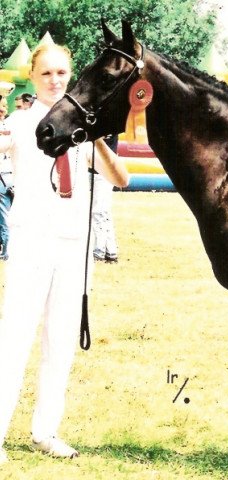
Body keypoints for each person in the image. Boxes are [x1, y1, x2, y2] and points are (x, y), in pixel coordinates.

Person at [0, 43, 129, 464]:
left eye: (61, 73)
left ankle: (45, 431)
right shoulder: (19, 123)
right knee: (15, 338)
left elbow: (122, 178)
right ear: (32, 78)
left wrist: (97, 141)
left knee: (60, 341)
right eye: (46, 74)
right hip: (31, 240)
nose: (55, 81)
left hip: (73, 245)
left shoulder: (80, 127)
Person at [92, 134, 120, 263]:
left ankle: (99, 250)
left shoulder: (107, 128)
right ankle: (111, 251)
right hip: (102, 171)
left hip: (101, 172)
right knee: (104, 212)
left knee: (98, 212)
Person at [0, 98, 13, 260]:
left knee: (4, 217)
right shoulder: (10, 125)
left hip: (3, 177)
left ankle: (7, 252)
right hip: (10, 175)